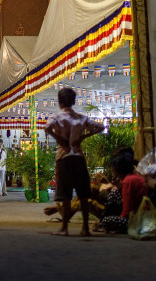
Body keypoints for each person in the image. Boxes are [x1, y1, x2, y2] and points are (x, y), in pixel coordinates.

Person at [44, 87, 105, 236]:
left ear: (59, 102)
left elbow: (47, 128)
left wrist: (60, 140)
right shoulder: (81, 118)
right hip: (78, 157)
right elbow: (100, 127)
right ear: (73, 101)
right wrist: (82, 137)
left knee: (65, 194)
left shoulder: (57, 117)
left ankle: (64, 228)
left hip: (63, 157)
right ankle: (85, 228)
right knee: (83, 193)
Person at [97, 151, 146, 233]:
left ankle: (104, 224)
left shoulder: (128, 181)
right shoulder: (132, 177)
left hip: (137, 219)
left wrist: (120, 219)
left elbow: (127, 211)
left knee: (106, 220)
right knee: (114, 193)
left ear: (118, 170)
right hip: (139, 213)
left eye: (113, 170)